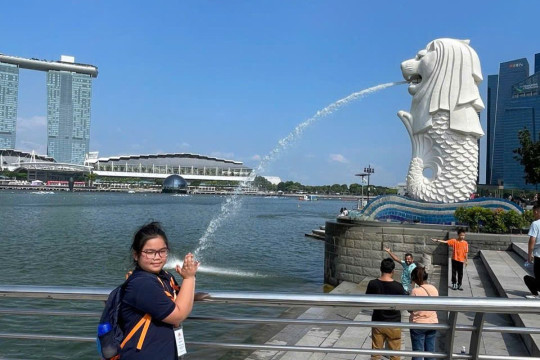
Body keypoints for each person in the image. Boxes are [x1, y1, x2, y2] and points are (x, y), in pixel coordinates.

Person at [119, 221, 199, 359]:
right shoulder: (142, 284)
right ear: (136, 255)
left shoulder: (164, 276)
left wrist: (192, 289)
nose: (157, 257)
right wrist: (189, 278)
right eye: (149, 252)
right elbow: (178, 315)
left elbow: (175, 300)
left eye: (162, 251)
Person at [366, 258, 406, 360]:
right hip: (394, 323)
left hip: (378, 322)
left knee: (375, 354)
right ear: (393, 271)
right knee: (395, 355)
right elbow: (403, 305)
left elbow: (367, 301)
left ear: (380, 269)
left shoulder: (372, 284)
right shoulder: (398, 287)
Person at [409, 266, 439, 360]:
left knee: (418, 352)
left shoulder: (415, 291)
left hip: (418, 324)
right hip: (433, 322)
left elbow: (409, 309)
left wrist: (412, 287)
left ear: (416, 279)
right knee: (430, 352)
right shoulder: (434, 288)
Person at [524, 204, 540, 298]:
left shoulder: (536, 224)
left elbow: (532, 240)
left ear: (537, 212)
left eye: (534, 212)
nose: (534, 214)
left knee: (534, 278)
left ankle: (535, 294)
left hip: (538, 255)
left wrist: (529, 255)